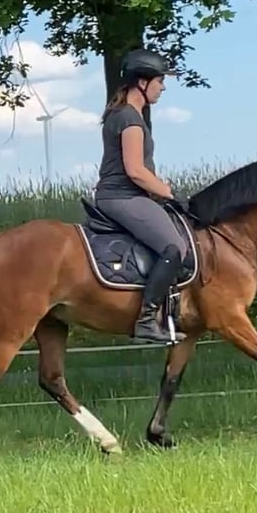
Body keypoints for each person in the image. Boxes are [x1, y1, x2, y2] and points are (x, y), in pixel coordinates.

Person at [93, 48, 190, 345]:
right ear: (142, 82)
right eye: (160, 81)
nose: (163, 88)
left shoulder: (124, 114)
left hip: (123, 195)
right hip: (123, 197)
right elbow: (135, 171)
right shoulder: (130, 119)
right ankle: (147, 320)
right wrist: (168, 193)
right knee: (175, 246)